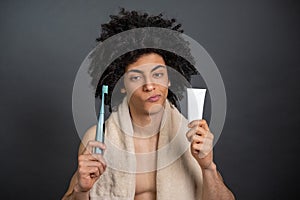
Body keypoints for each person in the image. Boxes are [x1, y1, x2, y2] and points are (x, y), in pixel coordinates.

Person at [62, 8, 235, 200]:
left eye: (158, 74)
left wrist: (208, 167)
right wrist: (82, 190)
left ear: (169, 79)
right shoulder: (97, 138)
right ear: (121, 85)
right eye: (136, 77)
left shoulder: (191, 137)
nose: (150, 85)